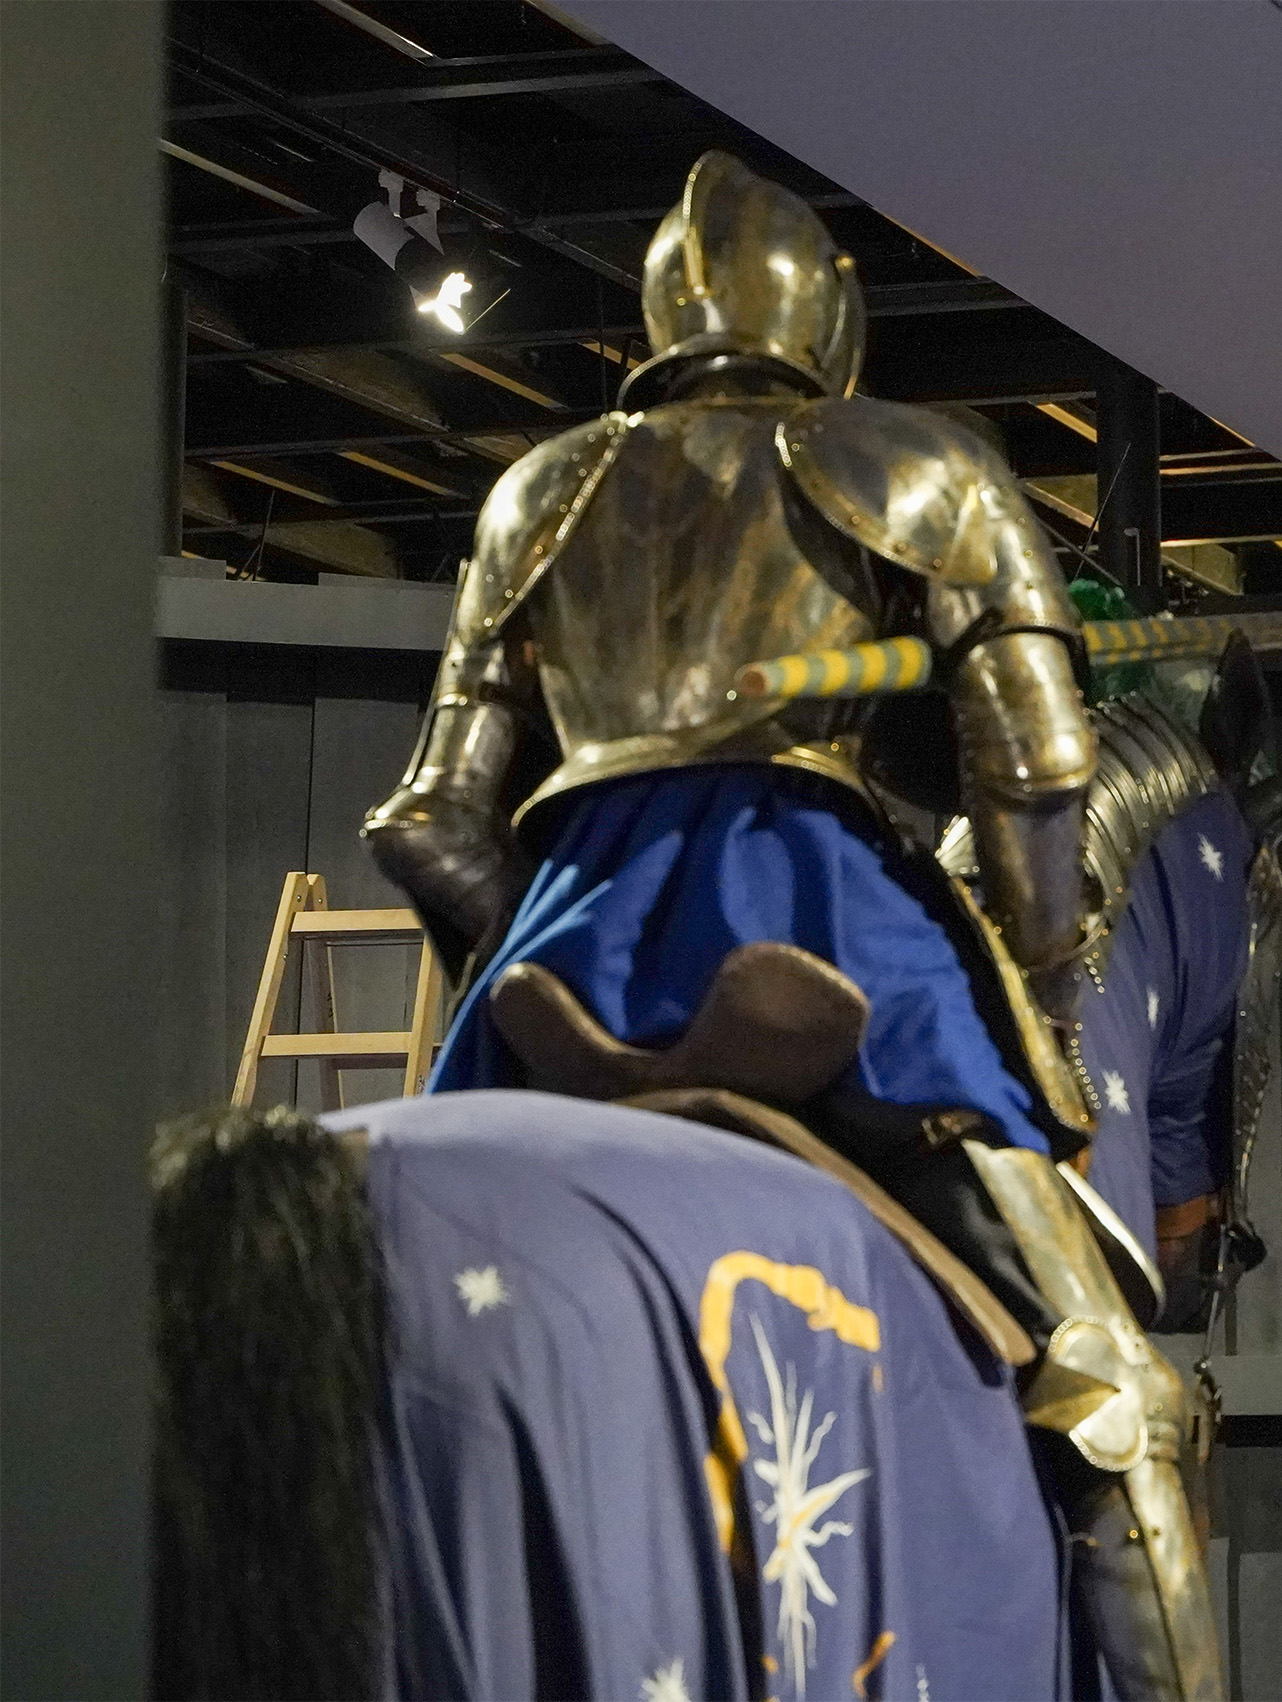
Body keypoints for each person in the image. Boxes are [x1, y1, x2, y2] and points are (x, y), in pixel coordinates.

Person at [364, 149, 1219, 1699]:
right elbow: (1039, 768)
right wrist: (1044, 982)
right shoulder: (914, 461)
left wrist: (532, 963)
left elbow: (430, 822)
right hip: (816, 919)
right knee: (1118, 1399)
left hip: (557, 949)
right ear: (832, 314)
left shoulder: (536, 490)